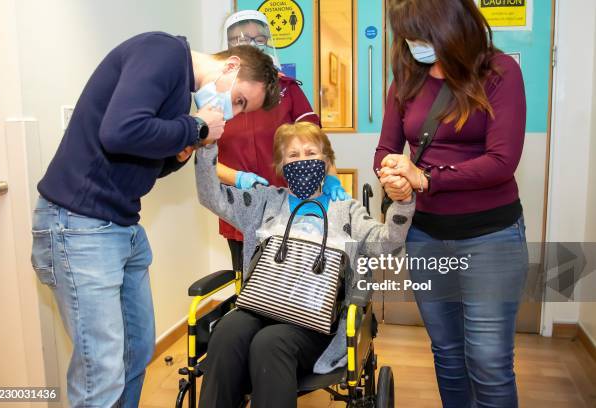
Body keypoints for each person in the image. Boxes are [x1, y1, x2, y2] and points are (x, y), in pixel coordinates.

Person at [30, 31, 280, 407]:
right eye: (239, 100)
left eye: (242, 109)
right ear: (230, 66)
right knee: (102, 369)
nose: (234, 112)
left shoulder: (182, 95)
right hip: (79, 224)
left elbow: (136, 155)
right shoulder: (163, 52)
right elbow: (119, 131)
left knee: (135, 351)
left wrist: (175, 156)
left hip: (121, 226)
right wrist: (194, 127)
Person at [195, 122, 415, 408]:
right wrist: (208, 148)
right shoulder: (265, 202)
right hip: (261, 305)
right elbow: (210, 196)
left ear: (326, 162)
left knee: (270, 342)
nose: (303, 161)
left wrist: (403, 202)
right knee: (227, 330)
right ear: (280, 164)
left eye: (311, 153)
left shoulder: (344, 210)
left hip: (314, 320)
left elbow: (387, 243)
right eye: (293, 155)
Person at [374, 1, 528, 407]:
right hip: (425, 236)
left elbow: (501, 161)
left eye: (421, 35)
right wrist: (392, 177)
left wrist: (425, 179)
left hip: (490, 238)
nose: (414, 45)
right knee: (447, 355)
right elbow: (386, 148)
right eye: (407, 36)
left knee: (489, 362)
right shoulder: (406, 77)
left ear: (451, 26)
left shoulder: (499, 72)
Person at [217, 10, 349, 272]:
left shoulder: (288, 89)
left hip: (290, 205)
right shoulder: (216, 96)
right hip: (239, 207)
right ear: (227, 46)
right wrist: (239, 178)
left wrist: (331, 177)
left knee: (291, 284)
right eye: (240, 39)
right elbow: (205, 162)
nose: (250, 45)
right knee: (249, 282)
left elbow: (316, 146)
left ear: (268, 41)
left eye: (258, 38)